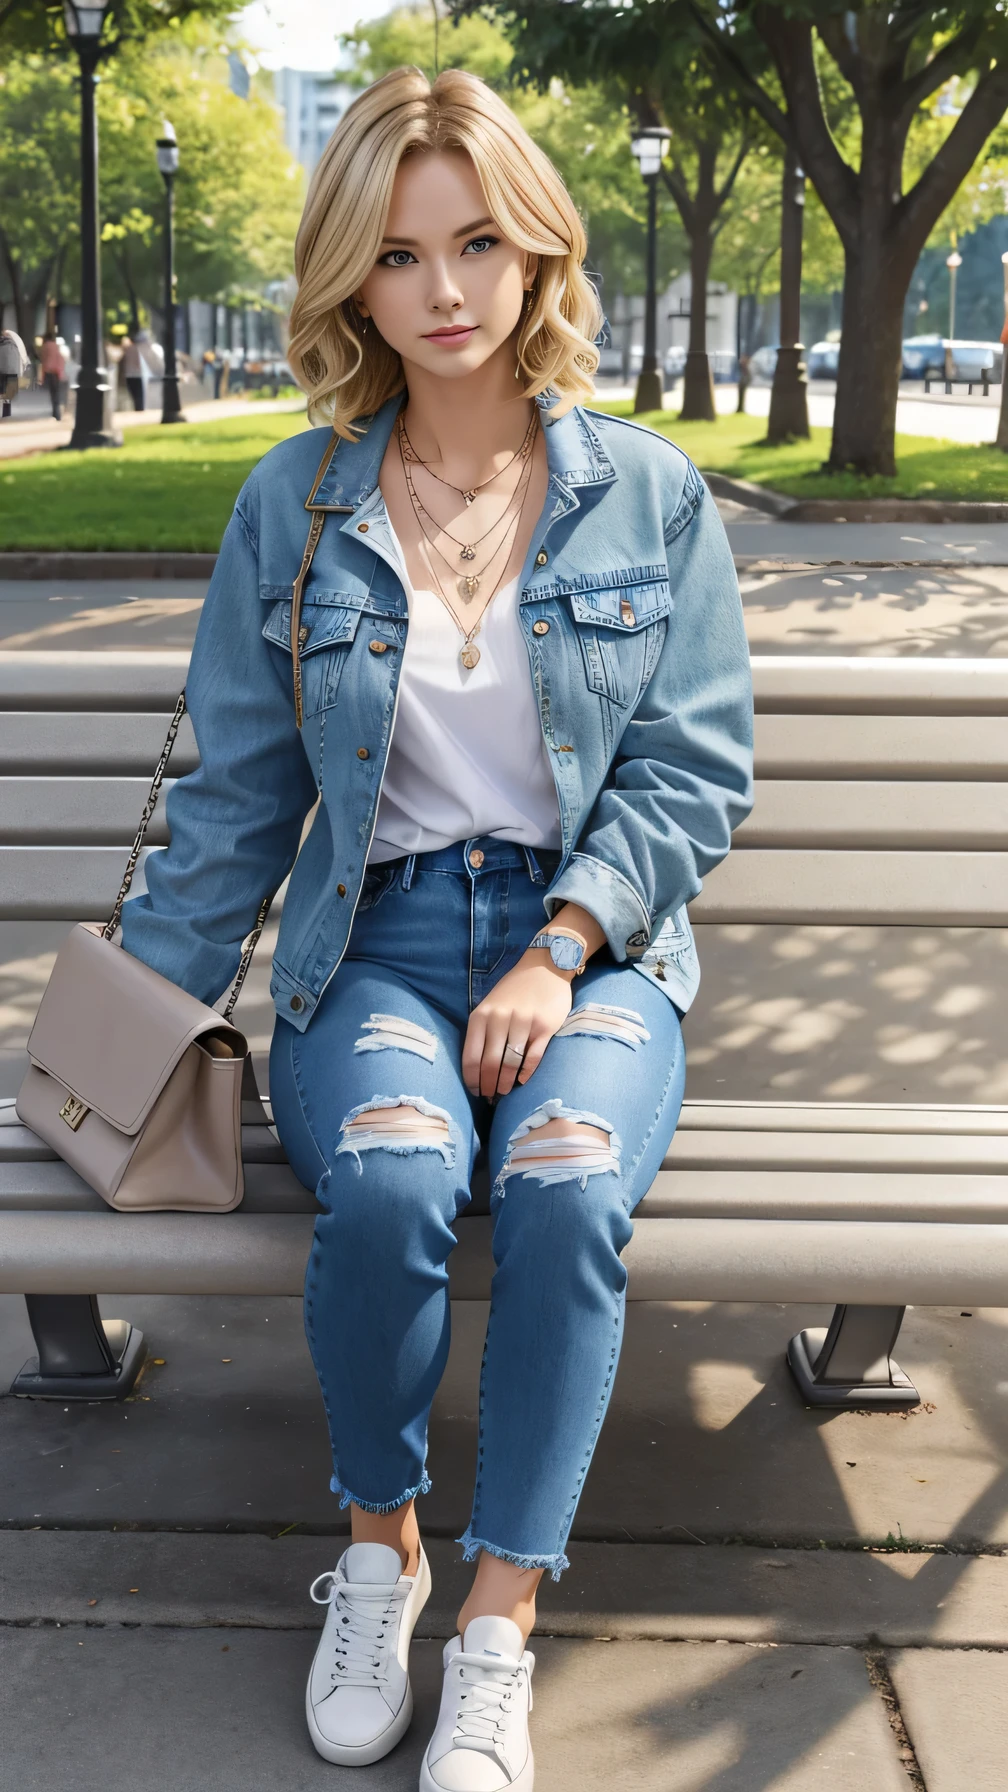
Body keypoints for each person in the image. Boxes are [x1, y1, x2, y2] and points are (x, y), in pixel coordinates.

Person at [118, 67, 753, 1790]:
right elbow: (241, 803)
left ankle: (495, 1625)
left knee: (554, 1183)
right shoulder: (298, 502)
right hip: (372, 948)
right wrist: (127, 1042)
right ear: (352, 281)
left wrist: (559, 944)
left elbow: (693, 770)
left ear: (538, 248)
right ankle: (379, 1555)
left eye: (479, 242)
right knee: (399, 1175)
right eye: (400, 258)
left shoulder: (646, 496)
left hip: (593, 954)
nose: (447, 290)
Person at [39, 330, 68, 419]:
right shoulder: (56, 346)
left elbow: (44, 360)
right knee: (57, 393)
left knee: (53, 393)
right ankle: (57, 413)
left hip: (50, 371)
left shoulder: (45, 346)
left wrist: (43, 375)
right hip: (58, 372)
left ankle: (55, 413)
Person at [120, 335, 144, 410]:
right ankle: (139, 408)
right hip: (137, 374)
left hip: (129, 374)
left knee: (133, 393)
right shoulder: (138, 349)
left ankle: (137, 407)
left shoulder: (127, 349)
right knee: (139, 393)